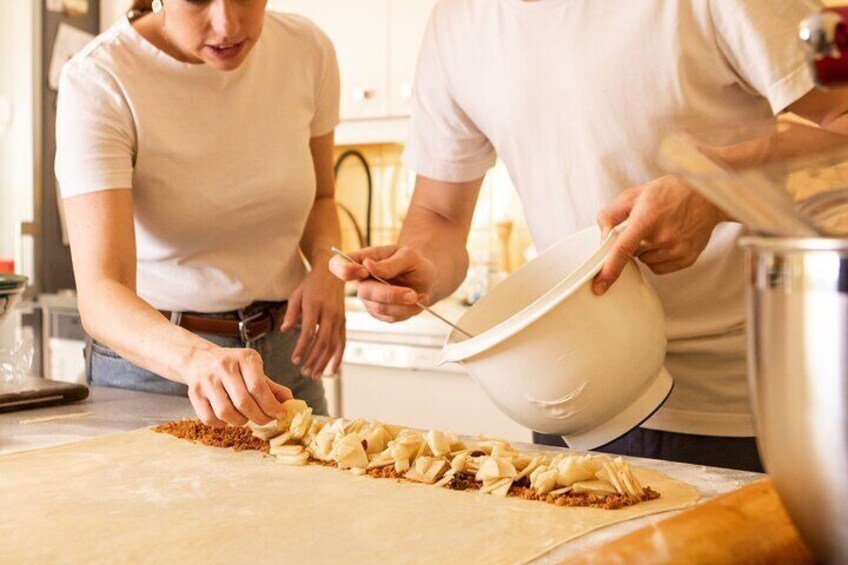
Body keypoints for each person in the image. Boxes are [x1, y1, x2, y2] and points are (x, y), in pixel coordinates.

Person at [330, 0, 848, 472]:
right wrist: (419, 266)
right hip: (568, 409)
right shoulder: (456, 24)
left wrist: (717, 190)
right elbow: (439, 214)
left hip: (744, 409)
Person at [56, 0, 347, 427]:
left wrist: (327, 261)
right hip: (156, 369)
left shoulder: (308, 51)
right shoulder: (101, 78)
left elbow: (322, 198)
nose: (227, 24)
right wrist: (199, 359)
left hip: (288, 354)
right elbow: (102, 294)